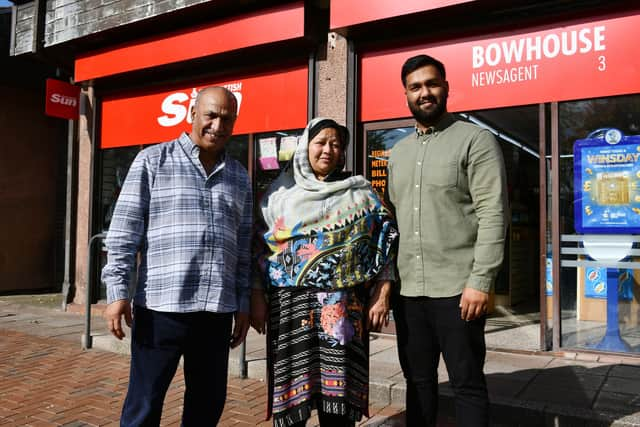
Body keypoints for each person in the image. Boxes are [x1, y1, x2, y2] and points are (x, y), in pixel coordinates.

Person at [101, 86, 252, 426]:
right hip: (161, 309)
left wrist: (242, 302)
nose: (217, 125)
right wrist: (118, 293)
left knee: (207, 404)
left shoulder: (239, 176)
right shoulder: (153, 161)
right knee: (144, 403)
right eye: (211, 115)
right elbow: (124, 233)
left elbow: (243, 247)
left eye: (226, 119)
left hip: (216, 312)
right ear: (192, 115)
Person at [250, 117, 399, 427]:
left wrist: (383, 292)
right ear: (305, 147)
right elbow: (257, 249)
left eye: (336, 144)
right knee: (292, 408)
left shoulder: (360, 193)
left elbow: (386, 242)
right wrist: (255, 296)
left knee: (339, 411)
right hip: (289, 312)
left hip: (343, 311)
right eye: (320, 142)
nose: (328, 150)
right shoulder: (279, 194)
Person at [387, 54, 508, 426]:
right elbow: (394, 221)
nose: (425, 92)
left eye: (431, 83)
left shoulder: (476, 140)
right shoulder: (398, 153)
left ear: (446, 87)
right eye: (415, 87)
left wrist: (480, 281)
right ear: (406, 94)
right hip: (409, 294)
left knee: (467, 384)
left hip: (459, 291)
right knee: (417, 381)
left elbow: (493, 213)